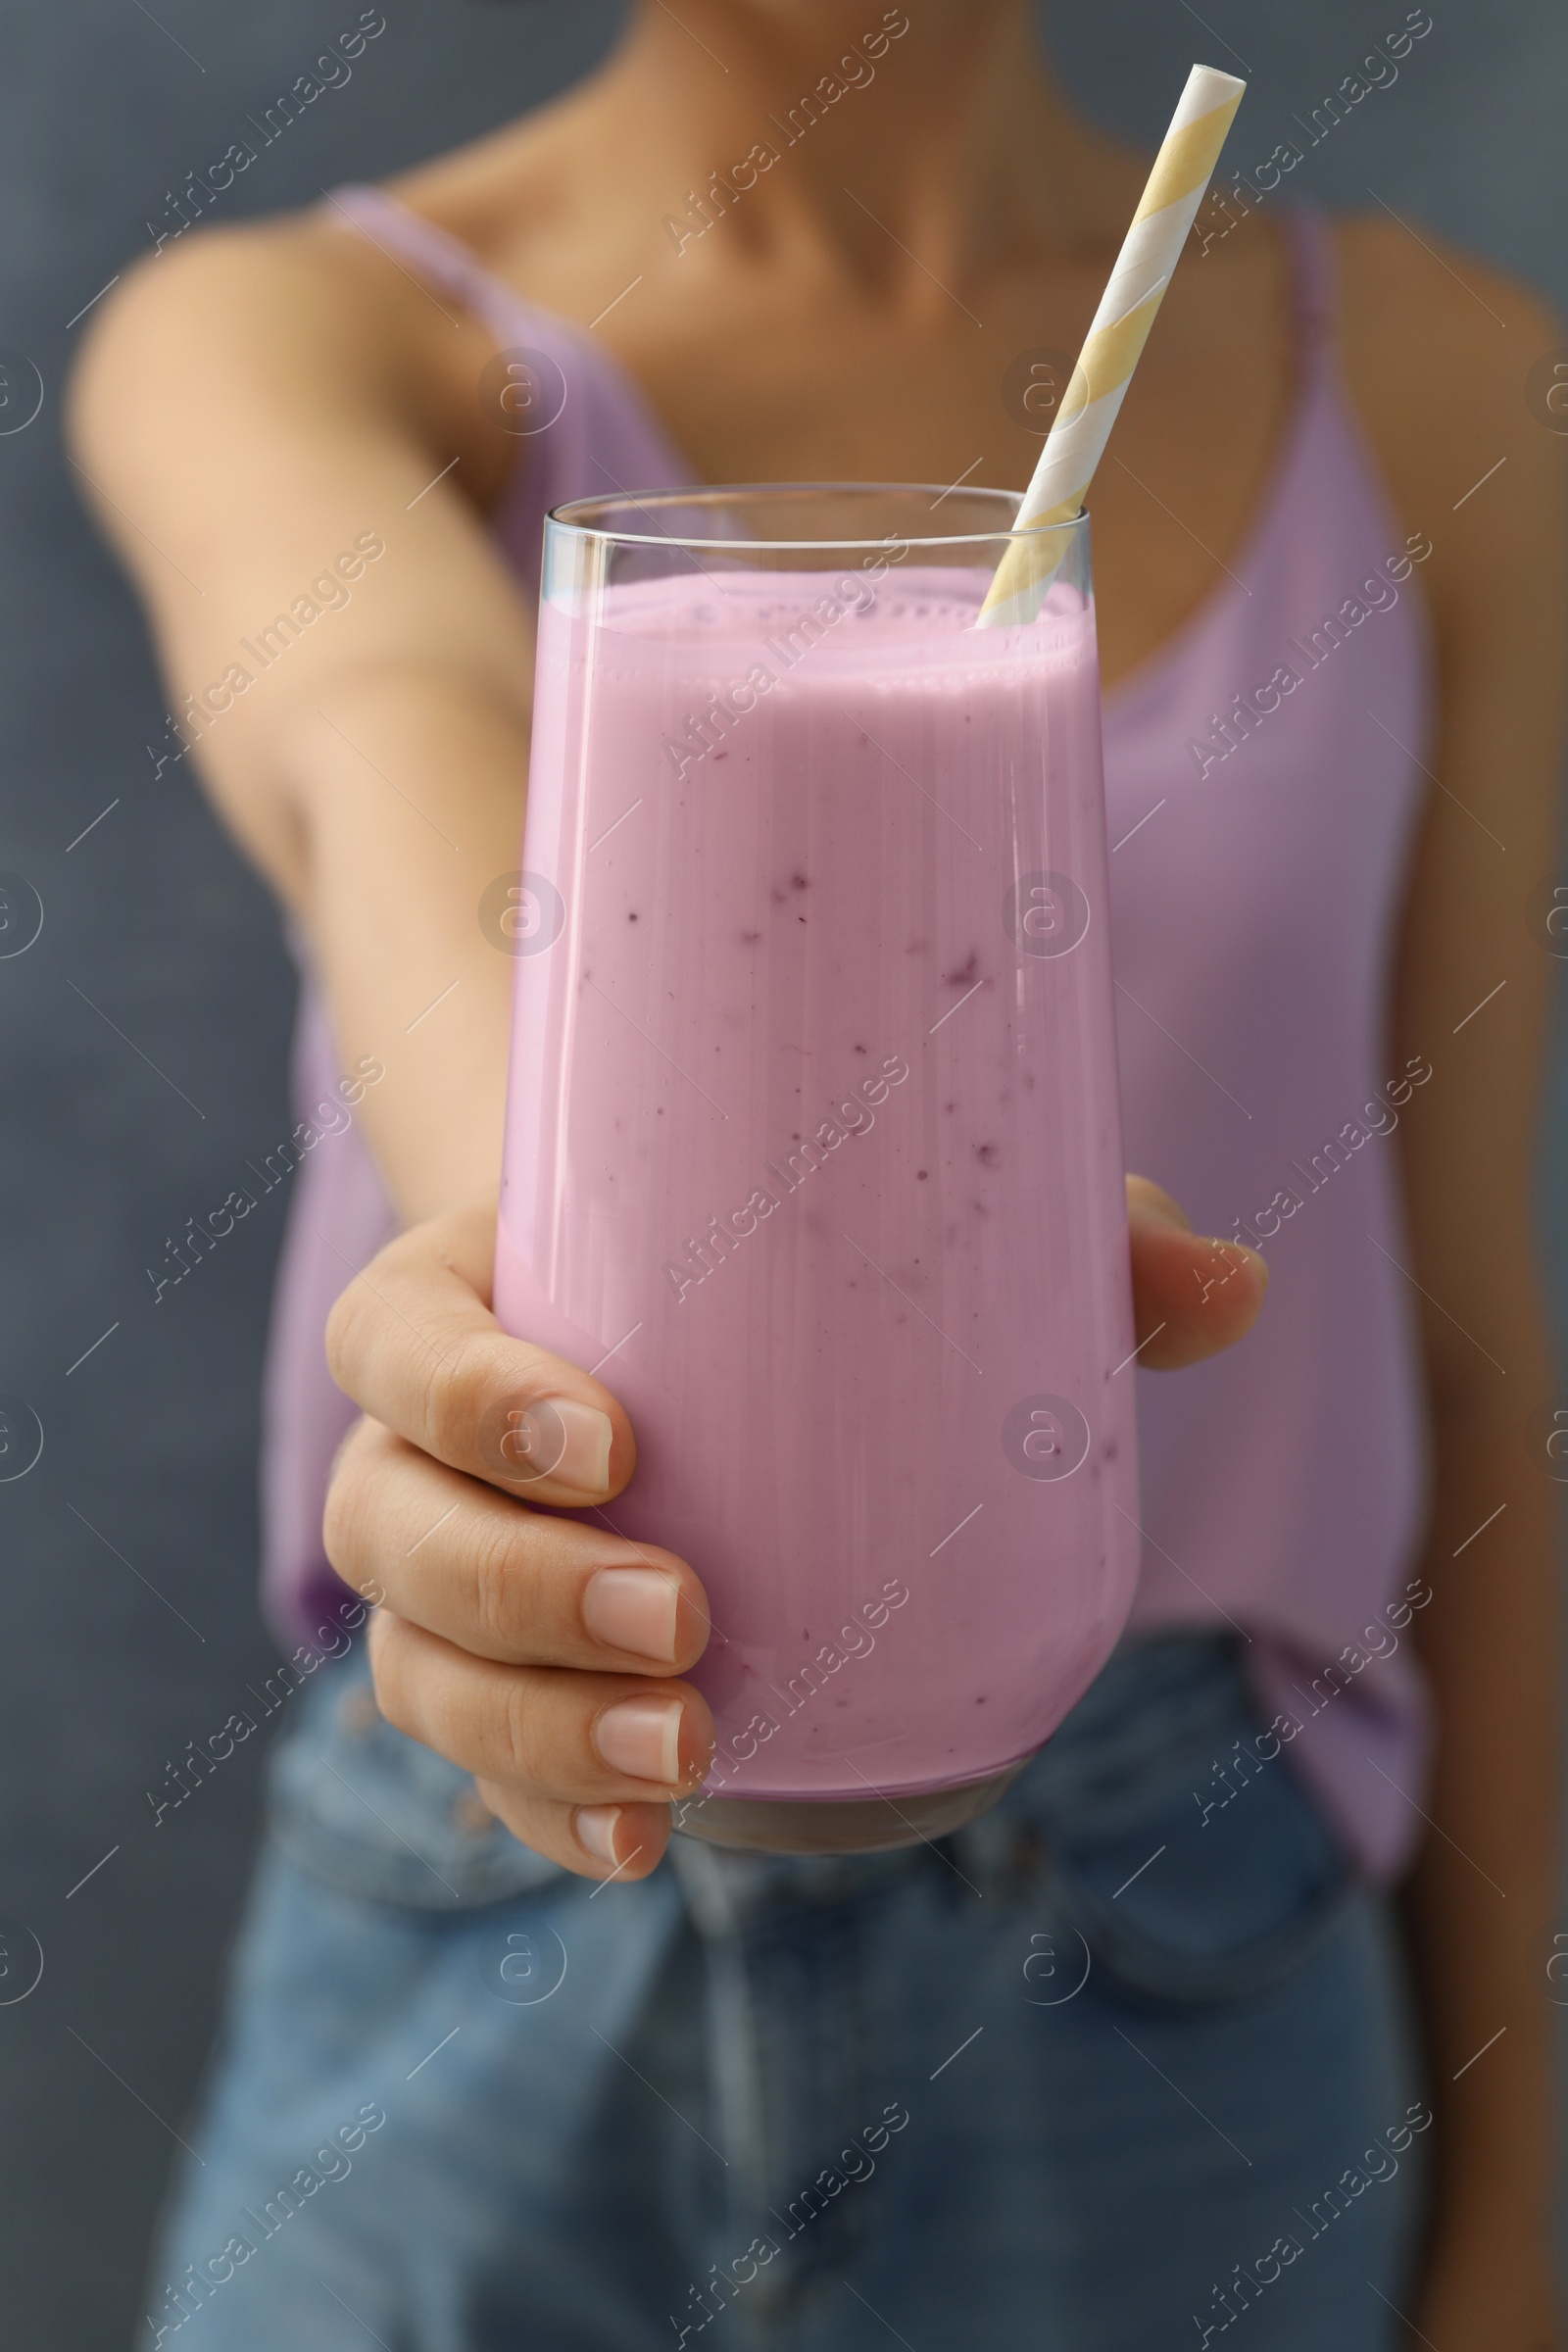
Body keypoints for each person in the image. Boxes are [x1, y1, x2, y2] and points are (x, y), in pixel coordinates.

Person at [72, 2, 1563, 2344]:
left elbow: (1478, 1365)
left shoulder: (1450, 387)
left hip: (1188, 1929)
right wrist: (551, 1280)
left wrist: (1517, 2216)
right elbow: (401, 748)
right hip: (492, 1836)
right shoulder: (299, 329)